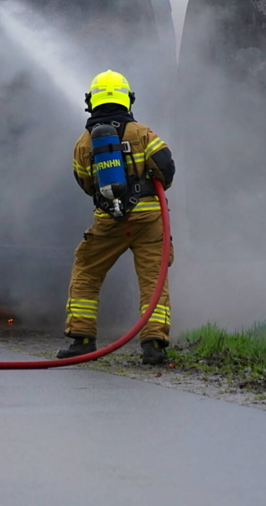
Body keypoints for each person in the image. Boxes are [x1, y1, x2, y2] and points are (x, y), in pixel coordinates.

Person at [57, 70, 176, 365]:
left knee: (87, 270)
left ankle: (82, 340)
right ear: (128, 99)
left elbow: (86, 184)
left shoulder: (84, 143)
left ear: (90, 102)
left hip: (109, 220)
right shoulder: (143, 133)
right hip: (149, 219)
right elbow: (167, 170)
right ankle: (154, 345)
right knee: (153, 280)